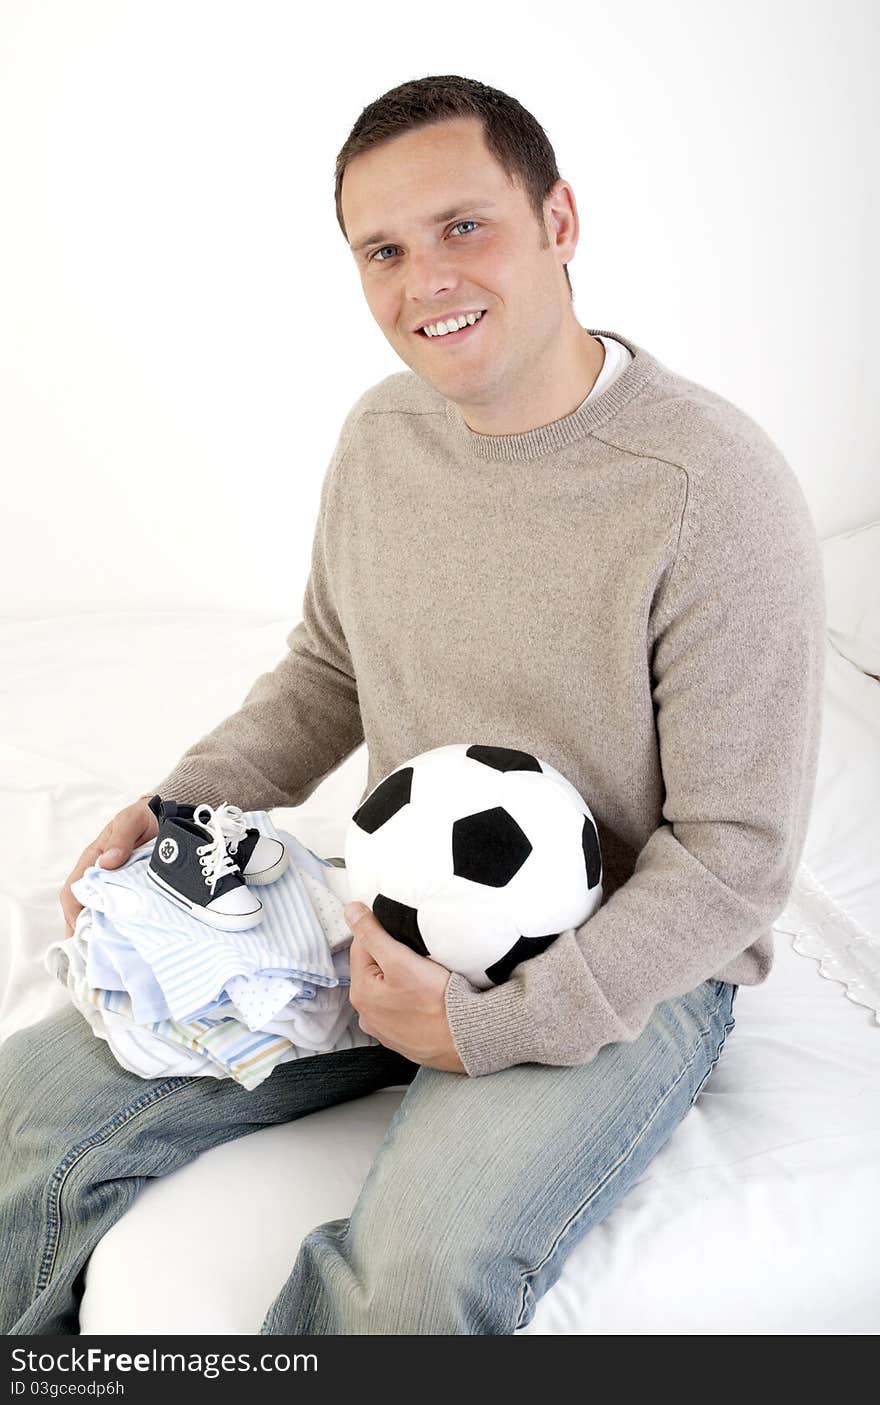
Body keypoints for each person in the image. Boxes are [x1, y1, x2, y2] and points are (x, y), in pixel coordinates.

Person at [0, 73, 825, 1336]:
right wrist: (179, 802)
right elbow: (330, 668)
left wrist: (497, 1025)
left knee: (418, 1277)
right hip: (388, 908)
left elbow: (733, 863)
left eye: (462, 227)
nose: (421, 279)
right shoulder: (382, 434)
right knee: (25, 1113)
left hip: (615, 965)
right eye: (381, 249)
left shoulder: (713, 492)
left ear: (558, 219)